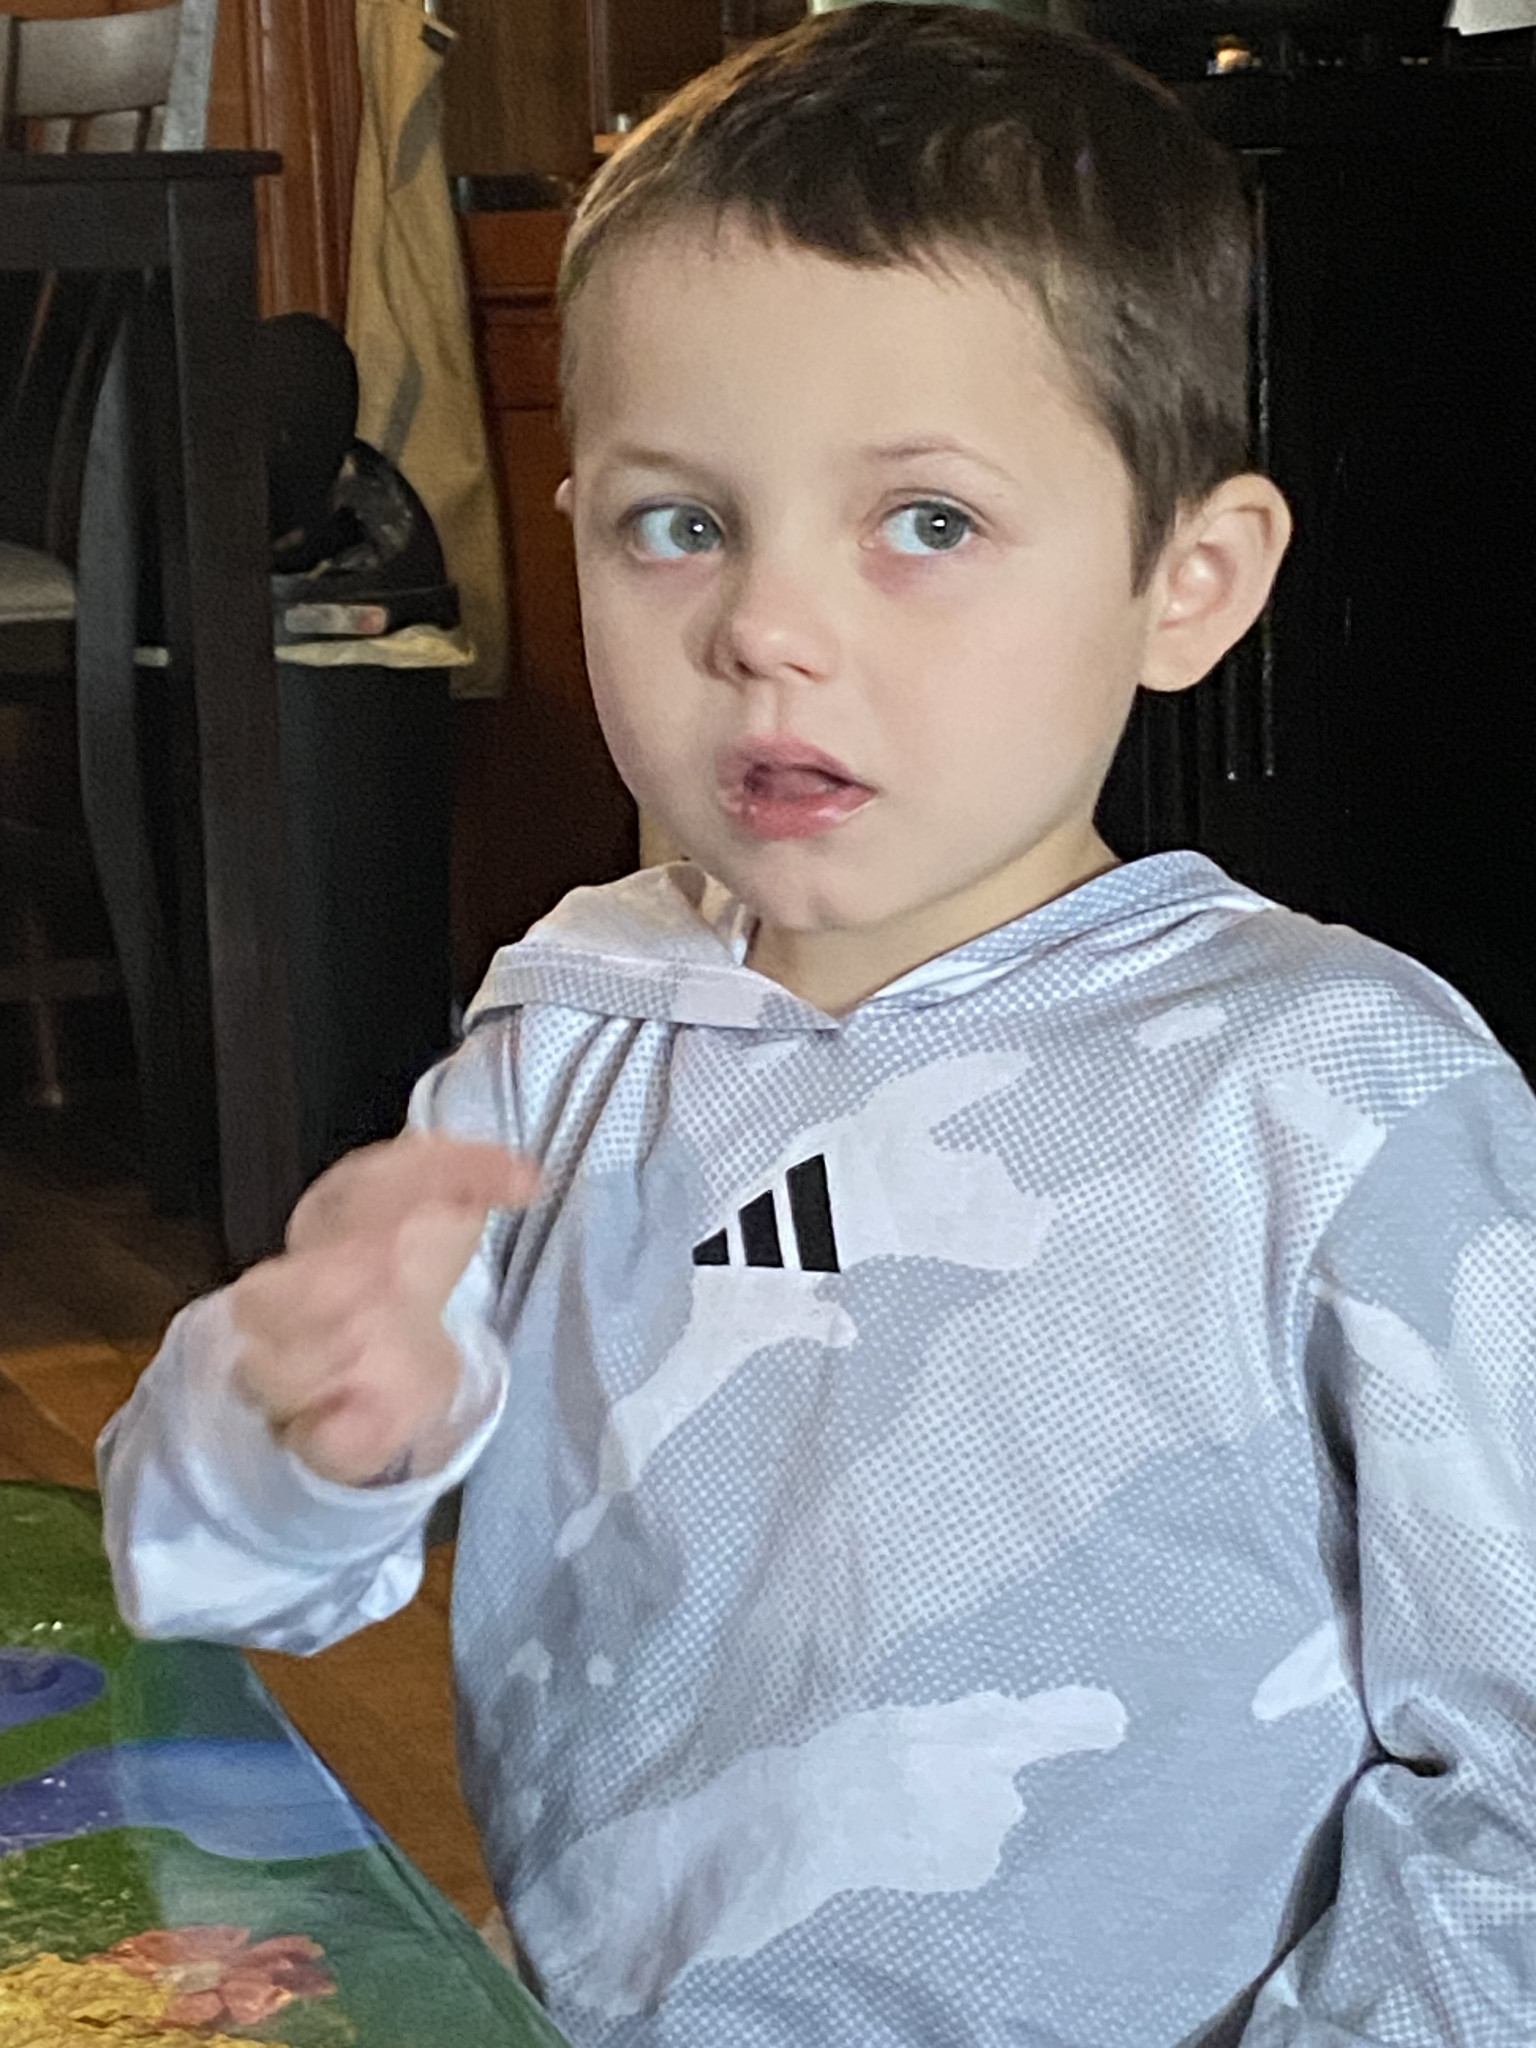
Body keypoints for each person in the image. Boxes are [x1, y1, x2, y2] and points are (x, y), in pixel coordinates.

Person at [98, 6, 1536, 2042]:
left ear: (1189, 580)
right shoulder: (563, 1042)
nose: (767, 628)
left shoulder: (1341, 1089)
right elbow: (202, 1577)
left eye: (925, 523)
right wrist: (289, 1421)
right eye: (678, 523)